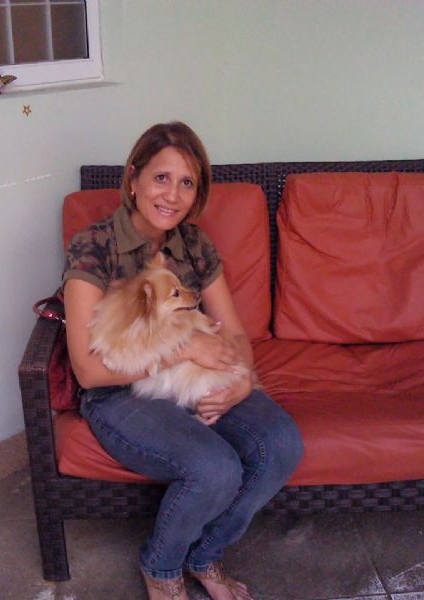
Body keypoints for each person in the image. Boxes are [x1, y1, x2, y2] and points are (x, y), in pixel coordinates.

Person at [62, 121, 304, 600]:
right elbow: (88, 371)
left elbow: (234, 331)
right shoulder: (94, 246)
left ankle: (204, 555)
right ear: (133, 178)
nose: (172, 195)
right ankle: (162, 567)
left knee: (280, 444)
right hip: (119, 392)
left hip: (192, 379)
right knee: (215, 468)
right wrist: (184, 349)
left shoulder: (194, 245)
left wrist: (243, 381)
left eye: (187, 183)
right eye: (161, 178)